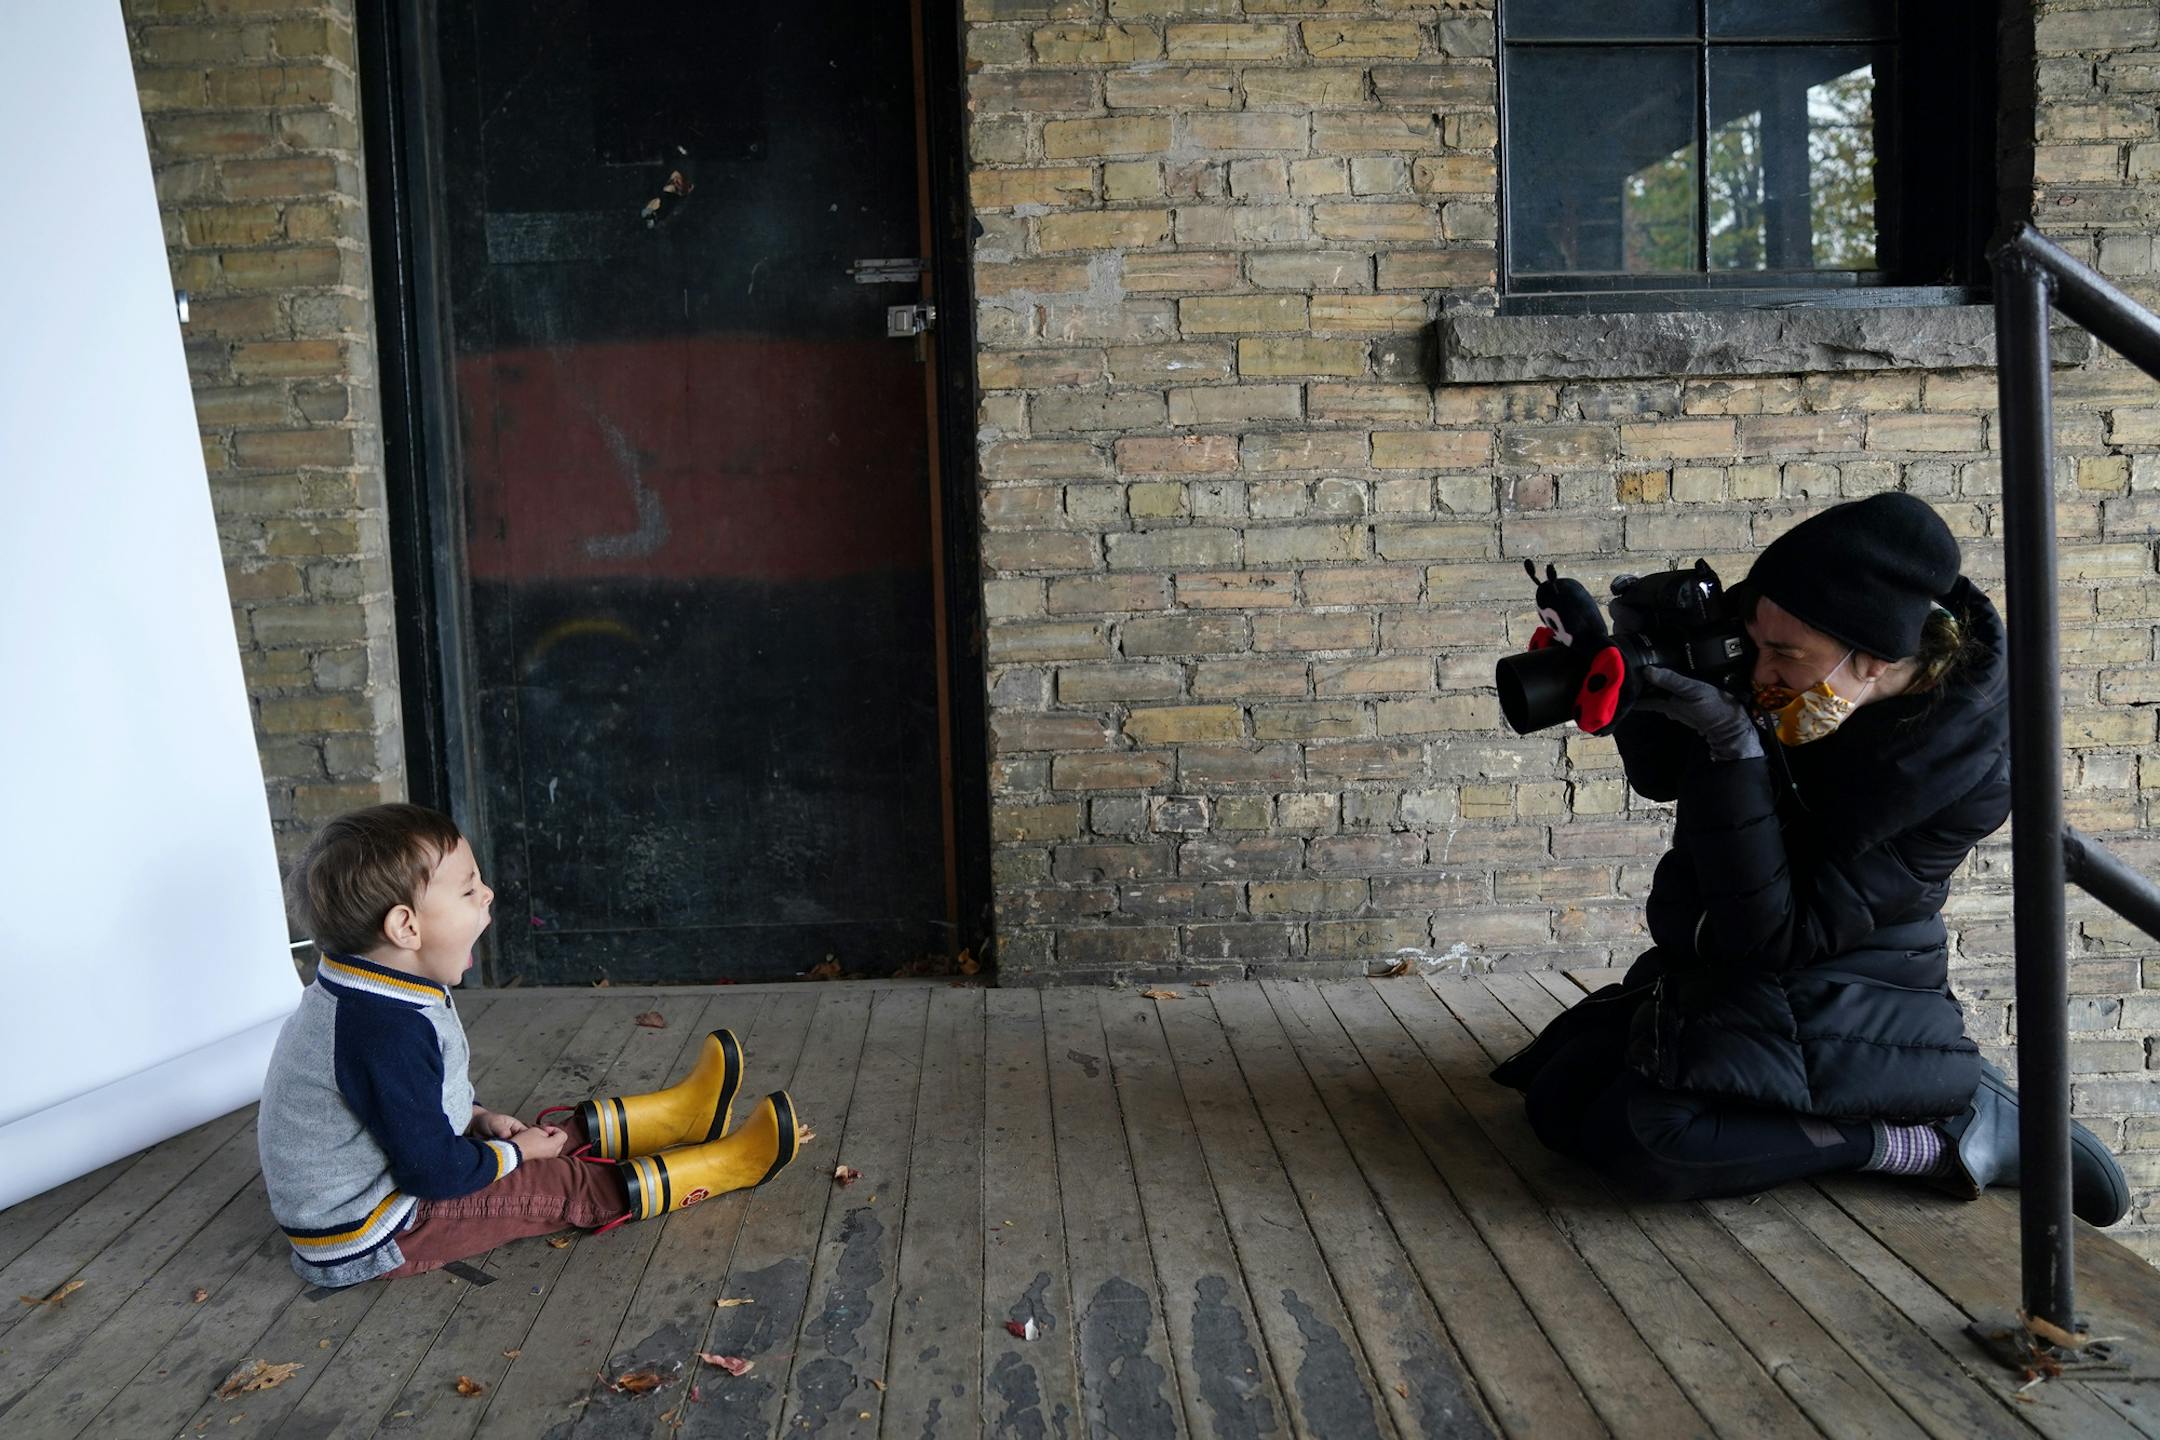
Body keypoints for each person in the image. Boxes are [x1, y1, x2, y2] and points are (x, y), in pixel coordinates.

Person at [1492, 493, 2130, 1225]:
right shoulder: (1788, 669)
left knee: (1648, 1140)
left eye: (1786, 656)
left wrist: (1734, 748)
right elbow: (1665, 775)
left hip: (1850, 981)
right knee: (1559, 1097)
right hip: (1731, 962)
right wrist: (1619, 665)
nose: (1761, 670)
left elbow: (1782, 934)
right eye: (1756, 643)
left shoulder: (1964, 769)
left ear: (1874, 659)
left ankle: (1933, 1133)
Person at [259, 803, 801, 1287]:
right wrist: (514, 1155)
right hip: (380, 1232)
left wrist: (476, 1117)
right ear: (405, 927)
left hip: (395, 1180)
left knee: (538, 1140)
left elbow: (396, 1103)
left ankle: (679, 1118)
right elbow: (432, 1174)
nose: (488, 893)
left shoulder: (369, 991)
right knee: (556, 1177)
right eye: (469, 890)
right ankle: (728, 1166)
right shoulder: (380, 1031)